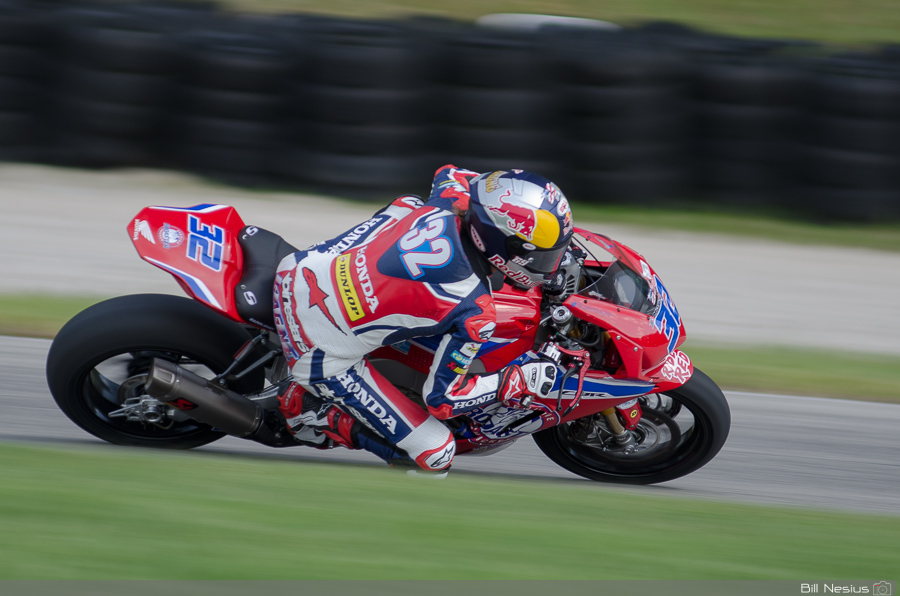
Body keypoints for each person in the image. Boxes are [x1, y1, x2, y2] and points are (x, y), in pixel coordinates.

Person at [271, 165, 575, 473]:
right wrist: (513, 381)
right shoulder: (476, 311)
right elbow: (443, 400)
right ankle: (315, 413)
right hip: (318, 348)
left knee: (409, 205)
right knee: (437, 453)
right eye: (542, 255)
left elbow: (450, 171)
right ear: (501, 245)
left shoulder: (451, 197)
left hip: (301, 266)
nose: (549, 263)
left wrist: (494, 193)